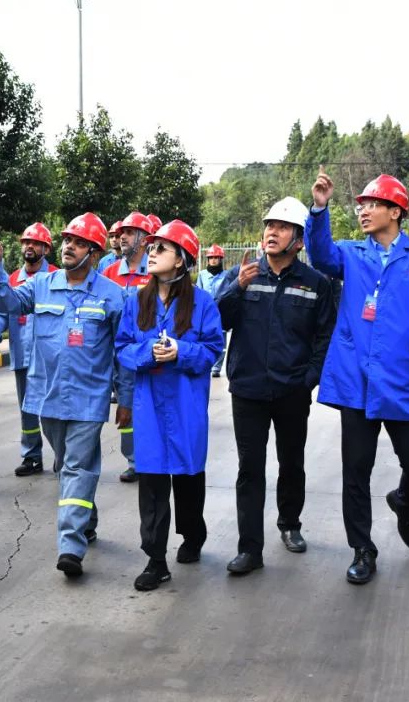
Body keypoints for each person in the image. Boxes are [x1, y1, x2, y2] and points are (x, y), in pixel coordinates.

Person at [304, 169, 409, 585]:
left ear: (395, 211)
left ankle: (404, 501)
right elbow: (319, 255)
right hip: (356, 380)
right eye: (362, 205)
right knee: (356, 469)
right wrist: (319, 209)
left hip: (403, 381)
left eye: (373, 204)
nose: (364, 211)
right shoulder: (350, 255)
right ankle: (363, 549)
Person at [0, 213, 132, 579]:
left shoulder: (112, 295)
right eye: (67, 240)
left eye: (78, 243)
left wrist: (125, 399)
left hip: (89, 398)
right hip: (47, 397)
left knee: (77, 467)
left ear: (94, 253)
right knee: (68, 467)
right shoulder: (41, 285)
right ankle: (86, 519)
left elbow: (123, 352)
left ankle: (70, 546)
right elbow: (6, 303)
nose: (68, 247)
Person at [216, 198, 335, 575]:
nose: (272, 232)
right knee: (250, 469)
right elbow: (216, 320)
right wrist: (236, 288)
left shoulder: (316, 283)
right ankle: (250, 549)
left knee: (291, 462)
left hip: (291, 391)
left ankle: (290, 523)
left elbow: (325, 336)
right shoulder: (242, 274)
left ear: (298, 240)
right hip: (248, 389)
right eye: (269, 225)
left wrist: (309, 378)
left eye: (282, 227)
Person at [116, 221, 224, 591]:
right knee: (152, 482)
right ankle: (155, 560)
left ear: (181, 260)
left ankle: (193, 535)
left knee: (189, 477)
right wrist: (148, 352)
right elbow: (123, 347)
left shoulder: (202, 303)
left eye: (161, 248)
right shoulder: (137, 302)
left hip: (185, 404)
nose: (151, 254)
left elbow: (213, 349)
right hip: (149, 407)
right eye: (150, 248)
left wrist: (181, 351)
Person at [0, 222, 58, 476]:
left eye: (36, 243)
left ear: (46, 249)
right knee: (27, 409)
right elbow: (0, 312)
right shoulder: (12, 279)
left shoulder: (57, 277)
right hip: (22, 355)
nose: (29, 246)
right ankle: (32, 456)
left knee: (53, 409)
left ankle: (62, 455)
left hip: (49, 358)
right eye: (26, 242)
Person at [102, 211, 159, 483]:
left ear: (144, 239)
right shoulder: (109, 273)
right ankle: (134, 460)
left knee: (151, 407)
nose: (121, 237)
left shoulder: (157, 270)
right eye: (120, 233)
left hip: (150, 355)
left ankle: (153, 456)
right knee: (126, 406)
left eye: (129, 232)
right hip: (120, 355)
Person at [196, 244, 228, 377]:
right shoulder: (202, 275)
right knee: (204, 336)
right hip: (205, 311)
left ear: (220, 259)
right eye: (211, 258)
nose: (213, 260)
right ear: (208, 260)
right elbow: (198, 292)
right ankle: (205, 363)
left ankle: (216, 367)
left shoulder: (226, 275)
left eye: (216, 258)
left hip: (221, 311)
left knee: (221, 338)